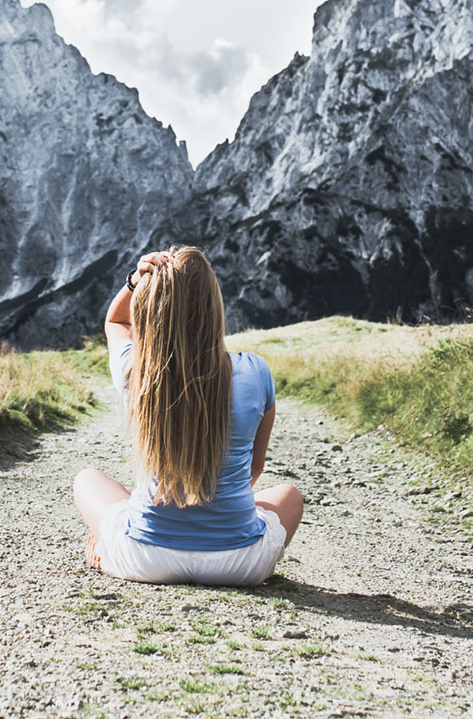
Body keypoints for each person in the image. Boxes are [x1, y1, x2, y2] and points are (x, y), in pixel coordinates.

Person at [72, 246, 303, 586]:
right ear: (214, 306)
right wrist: (213, 506)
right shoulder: (255, 372)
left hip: (145, 559)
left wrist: (135, 281)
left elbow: (116, 321)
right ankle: (221, 528)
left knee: (87, 480)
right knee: (290, 495)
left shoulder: (136, 372)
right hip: (240, 565)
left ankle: (107, 551)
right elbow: (254, 468)